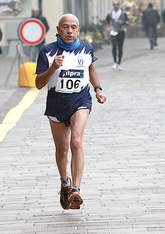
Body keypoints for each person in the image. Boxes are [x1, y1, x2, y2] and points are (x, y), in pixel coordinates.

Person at [35, 14, 107, 210]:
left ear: (78, 30)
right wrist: (52, 68)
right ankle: (64, 182)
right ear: (58, 29)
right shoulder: (48, 52)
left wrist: (98, 89)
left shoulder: (86, 49)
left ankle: (76, 189)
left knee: (76, 141)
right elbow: (38, 84)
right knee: (62, 149)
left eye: (73, 27)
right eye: (65, 27)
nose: (69, 31)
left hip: (80, 100)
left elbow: (90, 67)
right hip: (57, 104)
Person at [106, 0, 129, 71]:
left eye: (117, 4)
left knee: (120, 47)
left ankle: (119, 63)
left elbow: (127, 22)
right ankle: (115, 62)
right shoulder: (110, 13)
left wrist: (123, 22)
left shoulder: (123, 13)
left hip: (121, 31)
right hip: (113, 31)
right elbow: (107, 20)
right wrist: (108, 26)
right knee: (114, 46)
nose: (115, 6)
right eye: (114, 5)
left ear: (119, 5)